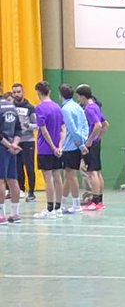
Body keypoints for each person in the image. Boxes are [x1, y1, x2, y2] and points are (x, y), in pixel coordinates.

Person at [34, 81, 65, 219]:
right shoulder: (58, 107)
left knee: (49, 178)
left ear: (39, 93)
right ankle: (59, 207)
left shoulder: (40, 108)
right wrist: (60, 146)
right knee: (57, 177)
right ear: (50, 92)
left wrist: (52, 147)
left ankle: (50, 209)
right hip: (58, 148)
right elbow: (63, 129)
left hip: (45, 148)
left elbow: (44, 130)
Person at [76, 85, 108, 211]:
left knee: (92, 172)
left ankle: (95, 201)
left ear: (83, 96)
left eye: (79, 97)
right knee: (97, 171)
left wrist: (90, 141)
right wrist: (98, 138)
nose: (78, 100)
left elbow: (98, 125)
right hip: (96, 143)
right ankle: (100, 200)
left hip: (90, 144)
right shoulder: (96, 106)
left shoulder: (89, 109)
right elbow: (106, 124)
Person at [59, 84, 89, 214]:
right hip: (76, 144)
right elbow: (84, 125)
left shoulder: (66, 109)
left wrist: (80, 144)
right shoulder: (78, 107)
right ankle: (62, 203)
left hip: (71, 146)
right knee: (68, 175)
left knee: (72, 176)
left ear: (61, 95)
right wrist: (83, 140)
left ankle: (76, 204)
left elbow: (71, 128)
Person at [9, 84, 37, 201]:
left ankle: (31, 192)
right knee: (17, 167)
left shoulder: (30, 107)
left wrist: (28, 126)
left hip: (28, 141)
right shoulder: (10, 107)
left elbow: (37, 125)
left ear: (23, 92)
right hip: (15, 141)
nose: (16, 94)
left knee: (29, 167)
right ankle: (20, 189)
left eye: (18, 92)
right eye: (14, 92)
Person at [0, 92, 22, 224]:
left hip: (2, 147)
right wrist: (14, 144)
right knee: (13, 179)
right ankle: (15, 213)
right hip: (12, 148)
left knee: (1, 180)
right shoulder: (12, 107)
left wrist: (8, 145)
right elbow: (19, 130)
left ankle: (1, 214)